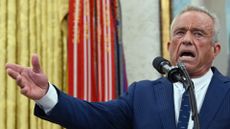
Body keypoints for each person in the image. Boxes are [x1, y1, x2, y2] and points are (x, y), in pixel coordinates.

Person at [5, 5, 230, 129]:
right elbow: (92, 118)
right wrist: (46, 95)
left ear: (215, 49)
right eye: (180, 33)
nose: (187, 40)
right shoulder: (141, 94)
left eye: (198, 34)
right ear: (170, 46)